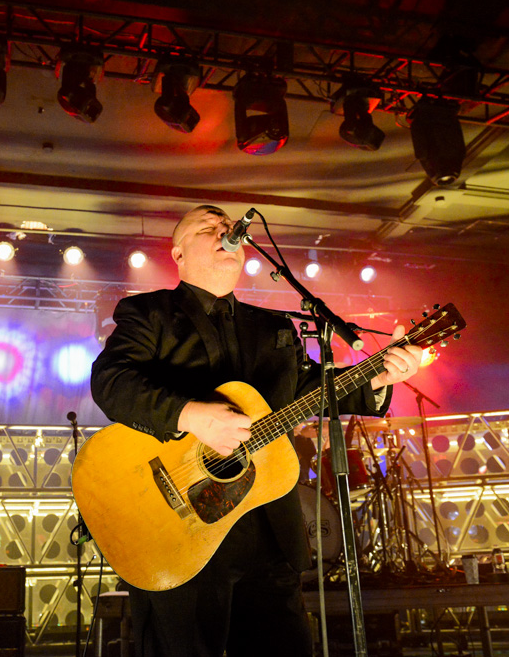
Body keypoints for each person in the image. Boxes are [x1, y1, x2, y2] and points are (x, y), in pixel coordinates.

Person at [90, 205, 421, 657]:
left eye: (229, 228)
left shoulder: (275, 327)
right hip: (178, 529)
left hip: (268, 529)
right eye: (208, 227)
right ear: (179, 253)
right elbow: (112, 383)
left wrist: (376, 380)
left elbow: (312, 392)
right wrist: (192, 416)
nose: (225, 232)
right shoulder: (148, 313)